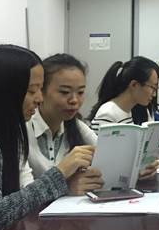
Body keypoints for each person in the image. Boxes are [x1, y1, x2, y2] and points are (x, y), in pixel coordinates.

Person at [0, 45, 90, 230]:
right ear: (4, 91)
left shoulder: (7, 131)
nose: (39, 99)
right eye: (32, 91)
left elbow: (18, 201)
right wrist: (59, 174)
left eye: (40, 89)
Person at [25, 54, 103, 194]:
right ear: (41, 91)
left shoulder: (76, 126)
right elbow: (24, 194)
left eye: (80, 92)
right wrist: (66, 187)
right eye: (65, 92)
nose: (74, 100)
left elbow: (106, 154)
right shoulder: (23, 128)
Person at [89, 56, 159, 136]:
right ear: (134, 85)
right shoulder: (108, 113)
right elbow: (101, 150)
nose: (154, 94)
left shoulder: (126, 111)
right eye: (152, 88)